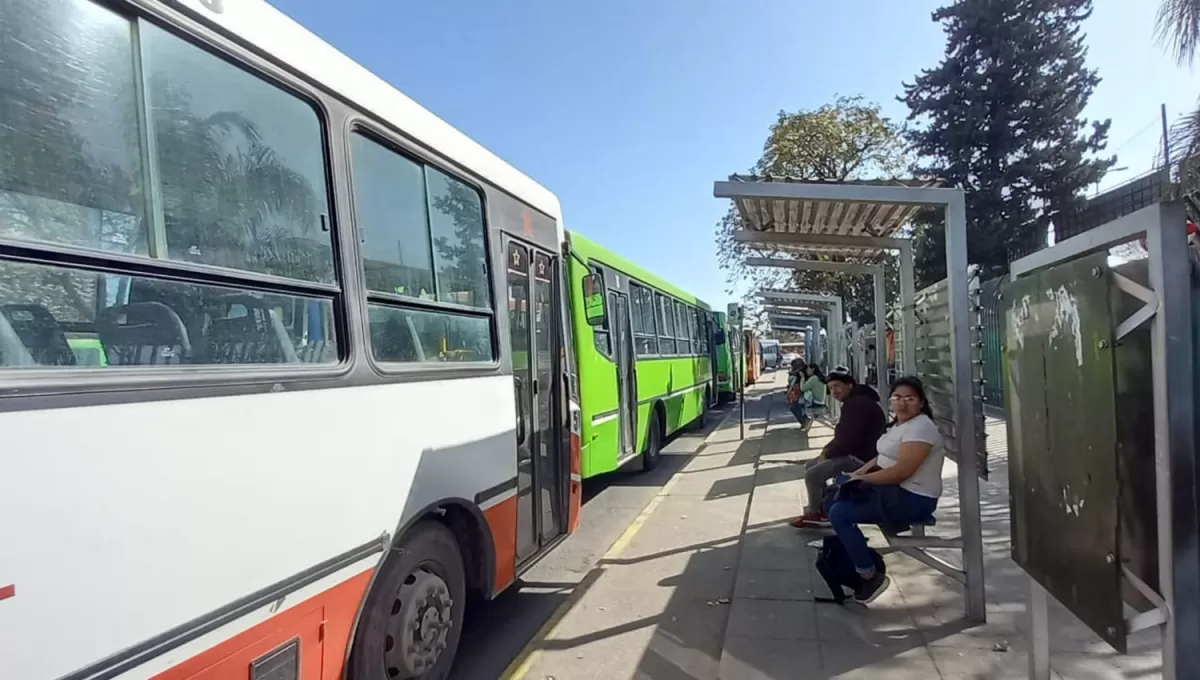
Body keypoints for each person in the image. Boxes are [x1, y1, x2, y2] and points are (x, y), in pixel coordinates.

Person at [826, 376, 946, 604]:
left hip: (913, 497)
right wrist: (856, 474)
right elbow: (880, 457)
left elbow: (902, 471)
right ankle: (858, 556)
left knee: (840, 512)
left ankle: (869, 574)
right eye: (897, 397)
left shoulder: (922, 428)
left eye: (910, 398)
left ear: (921, 402)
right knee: (832, 499)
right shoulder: (900, 424)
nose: (903, 403)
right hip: (893, 490)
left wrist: (863, 481)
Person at [791, 368, 886, 528]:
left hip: (862, 458)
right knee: (811, 465)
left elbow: (850, 440)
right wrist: (826, 451)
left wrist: (828, 454)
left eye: (837, 386)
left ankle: (815, 513)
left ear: (849, 385)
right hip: (856, 452)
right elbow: (843, 436)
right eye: (830, 388)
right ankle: (822, 508)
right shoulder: (854, 401)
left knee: (813, 474)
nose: (834, 391)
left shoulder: (858, 404)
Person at [785, 358, 807, 426]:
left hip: (803, 394)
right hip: (800, 394)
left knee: (794, 407)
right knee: (794, 406)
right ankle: (803, 420)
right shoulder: (800, 372)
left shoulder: (801, 373)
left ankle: (803, 420)